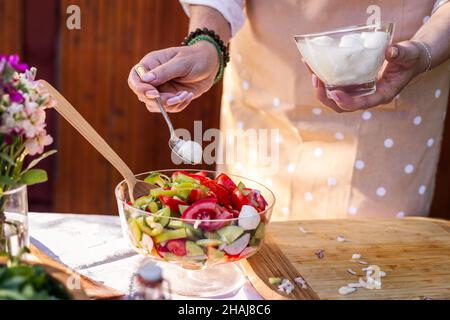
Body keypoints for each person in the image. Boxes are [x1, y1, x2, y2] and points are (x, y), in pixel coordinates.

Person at [128, 0, 450, 220]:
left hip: (397, 94)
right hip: (265, 104)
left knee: (370, 269)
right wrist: (206, 43)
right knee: (252, 240)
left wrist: (423, 51)